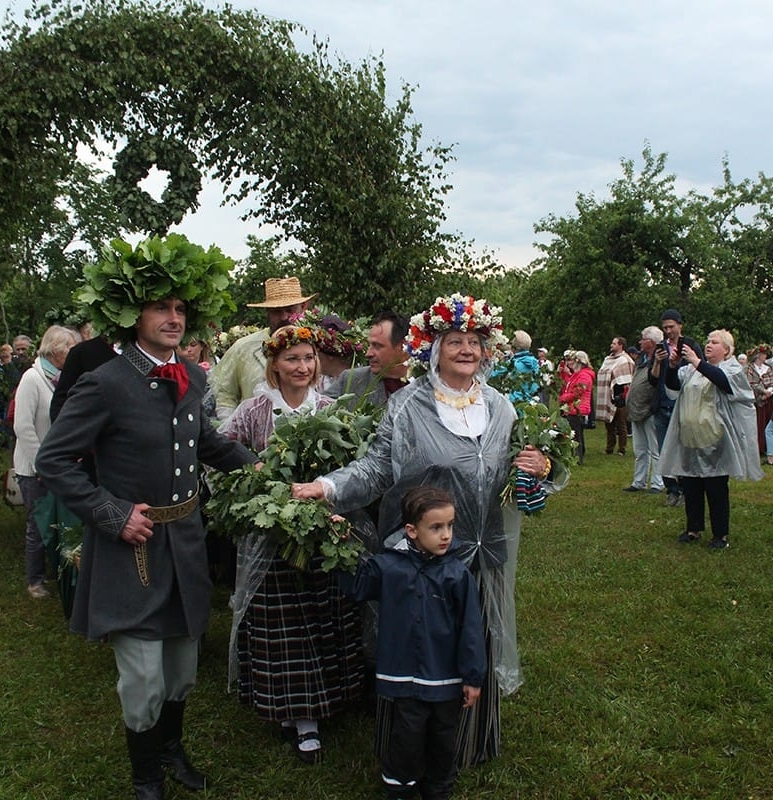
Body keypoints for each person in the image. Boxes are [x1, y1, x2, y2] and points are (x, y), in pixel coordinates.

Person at [291, 292, 563, 768]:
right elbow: (376, 467)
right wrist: (327, 486)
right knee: (424, 650)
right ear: (433, 348)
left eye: (474, 341)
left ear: (486, 349)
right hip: (425, 556)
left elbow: (525, 468)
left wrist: (540, 465)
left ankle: (468, 744)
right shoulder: (411, 406)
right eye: (454, 340)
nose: (466, 349)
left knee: (472, 644)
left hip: (484, 553)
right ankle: (410, 754)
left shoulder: (501, 407)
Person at [37, 234, 258, 799]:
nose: (174, 317)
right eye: (162, 306)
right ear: (133, 313)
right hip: (129, 548)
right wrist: (110, 513)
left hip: (183, 541)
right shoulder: (105, 383)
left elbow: (200, 440)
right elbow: (55, 460)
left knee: (182, 668)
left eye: (182, 308)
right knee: (142, 676)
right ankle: (145, 778)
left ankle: (172, 751)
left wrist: (259, 467)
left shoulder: (193, 377)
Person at [220, 324, 363, 764]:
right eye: (292, 360)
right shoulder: (254, 410)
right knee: (282, 627)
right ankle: (292, 711)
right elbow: (222, 453)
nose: (302, 367)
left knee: (319, 616)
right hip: (271, 539)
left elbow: (351, 465)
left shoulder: (331, 408)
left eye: (307, 359)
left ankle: (316, 707)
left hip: (318, 536)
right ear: (274, 366)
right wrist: (256, 482)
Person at [340, 485, 486, 800]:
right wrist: (340, 544)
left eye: (449, 525)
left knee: (443, 740)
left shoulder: (456, 573)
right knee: (406, 739)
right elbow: (357, 588)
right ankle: (400, 788)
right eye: (436, 527)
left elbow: (471, 629)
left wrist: (473, 677)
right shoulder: (389, 566)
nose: (446, 535)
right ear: (411, 530)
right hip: (404, 677)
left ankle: (439, 789)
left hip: (445, 679)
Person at [661, 329, 763, 549]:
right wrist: (671, 366)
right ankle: (693, 528)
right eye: (707, 341)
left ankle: (720, 534)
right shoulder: (691, 370)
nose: (708, 345)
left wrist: (698, 362)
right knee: (691, 484)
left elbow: (723, 383)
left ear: (726, 350)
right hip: (689, 437)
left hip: (715, 438)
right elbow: (672, 385)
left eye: (714, 342)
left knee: (715, 487)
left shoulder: (731, 369)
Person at [12, 325, 81, 599]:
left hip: (55, 466)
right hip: (34, 468)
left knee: (55, 520)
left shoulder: (59, 378)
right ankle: (35, 580)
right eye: (70, 350)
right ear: (55, 350)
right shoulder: (32, 378)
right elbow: (23, 427)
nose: (73, 355)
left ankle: (56, 572)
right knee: (37, 523)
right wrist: (42, 463)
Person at [209, 277, 316, 419]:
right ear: (267, 311)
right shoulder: (243, 348)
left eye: (290, 310)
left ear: (303, 307)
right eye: (277, 311)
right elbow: (224, 394)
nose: (284, 317)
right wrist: (233, 429)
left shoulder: (318, 345)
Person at [653, 309, 702, 507]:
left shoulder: (691, 345)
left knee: (682, 448)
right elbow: (653, 378)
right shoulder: (660, 348)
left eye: (671, 327)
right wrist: (657, 361)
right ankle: (671, 489)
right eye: (665, 328)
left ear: (680, 325)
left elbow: (701, 371)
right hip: (661, 402)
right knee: (664, 449)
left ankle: (685, 488)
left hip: (682, 404)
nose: (668, 331)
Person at [325, 310, 410, 409]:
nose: (368, 354)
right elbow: (314, 412)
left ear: (403, 346)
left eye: (377, 346)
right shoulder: (351, 381)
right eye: (369, 345)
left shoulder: (427, 384)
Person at [623, 326, 666, 494]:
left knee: (655, 449)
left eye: (643, 339)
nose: (640, 342)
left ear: (652, 342)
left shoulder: (660, 360)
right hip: (637, 410)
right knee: (640, 449)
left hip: (650, 410)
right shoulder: (642, 360)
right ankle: (639, 481)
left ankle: (658, 482)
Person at [597, 336, 635, 456]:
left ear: (620, 345)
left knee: (621, 424)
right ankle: (609, 447)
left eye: (614, 343)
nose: (611, 345)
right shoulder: (608, 359)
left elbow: (628, 377)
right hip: (608, 395)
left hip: (621, 396)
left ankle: (621, 449)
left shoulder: (625, 360)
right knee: (609, 423)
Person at [559, 351, 594, 466]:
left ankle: (577, 458)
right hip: (573, 408)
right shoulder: (577, 374)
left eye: (573, 360)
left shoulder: (584, 375)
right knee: (576, 434)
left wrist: (564, 398)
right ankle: (576, 456)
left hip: (577, 409)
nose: (571, 363)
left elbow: (578, 392)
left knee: (575, 435)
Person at [491, 329, 540, 403]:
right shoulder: (536, 363)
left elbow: (491, 373)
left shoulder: (513, 363)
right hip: (530, 401)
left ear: (515, 347)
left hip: (513, 401)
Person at [746, 344, 773, 456]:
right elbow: (750, 383)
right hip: (754, 400)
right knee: (755, 424)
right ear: (758, 355)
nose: (765, 357)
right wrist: (763, 392)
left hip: (767, 400)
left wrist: (769, 392)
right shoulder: (749, 368)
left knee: (766, 424)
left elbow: (772, 382)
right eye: (763, 354)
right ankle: (755, 447)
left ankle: (765, 447)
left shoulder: (767, 368)